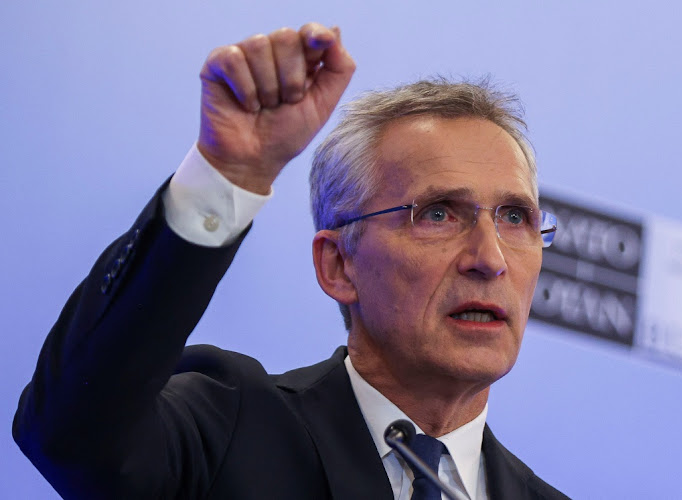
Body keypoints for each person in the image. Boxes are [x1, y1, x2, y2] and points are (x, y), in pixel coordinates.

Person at [13, 22, 568, 499]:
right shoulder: (229, 429)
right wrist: (225, 175)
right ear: (338, 266)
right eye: (440, 215)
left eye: (516, 218)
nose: (490, 258)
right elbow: (72, 432)